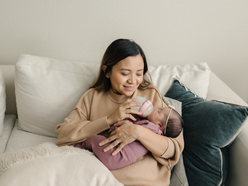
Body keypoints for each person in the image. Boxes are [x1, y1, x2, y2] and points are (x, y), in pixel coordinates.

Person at [55, 39, 184, 186]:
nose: (133, 81)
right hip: (102, 179)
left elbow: (174, 149)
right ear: (107, 71)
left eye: (139, 74)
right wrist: (109, 119)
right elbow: (64, 136)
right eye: (125, 73)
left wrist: (138, 131)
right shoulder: (93, 96)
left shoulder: (150, 94)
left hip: (147, 181)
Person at [74, 106, 184, 170]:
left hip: (116, 154)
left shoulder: (151, 127)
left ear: (160, 125)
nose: (155, 108)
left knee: (94, 139)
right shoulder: (154, 131)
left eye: (158, 111)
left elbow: (124, 128)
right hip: (122, 160)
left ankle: (79, 147)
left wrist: (126, 120)